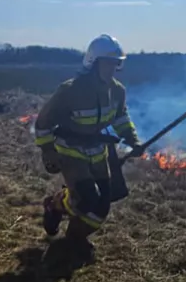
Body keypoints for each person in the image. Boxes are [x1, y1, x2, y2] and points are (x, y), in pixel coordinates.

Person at [34, 34, 145, 242]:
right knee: (86, 198)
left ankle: (74, 239)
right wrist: (48, 150)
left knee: (102, 205)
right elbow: (43, 123)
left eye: (116, 64)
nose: (112, 68)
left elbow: (121, 118)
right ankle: (55, 205)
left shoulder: (117, 91)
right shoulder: (71, 90)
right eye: (108, 63)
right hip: (70, 151)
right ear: (93, 62)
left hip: (98, 151)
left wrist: (132, 139)